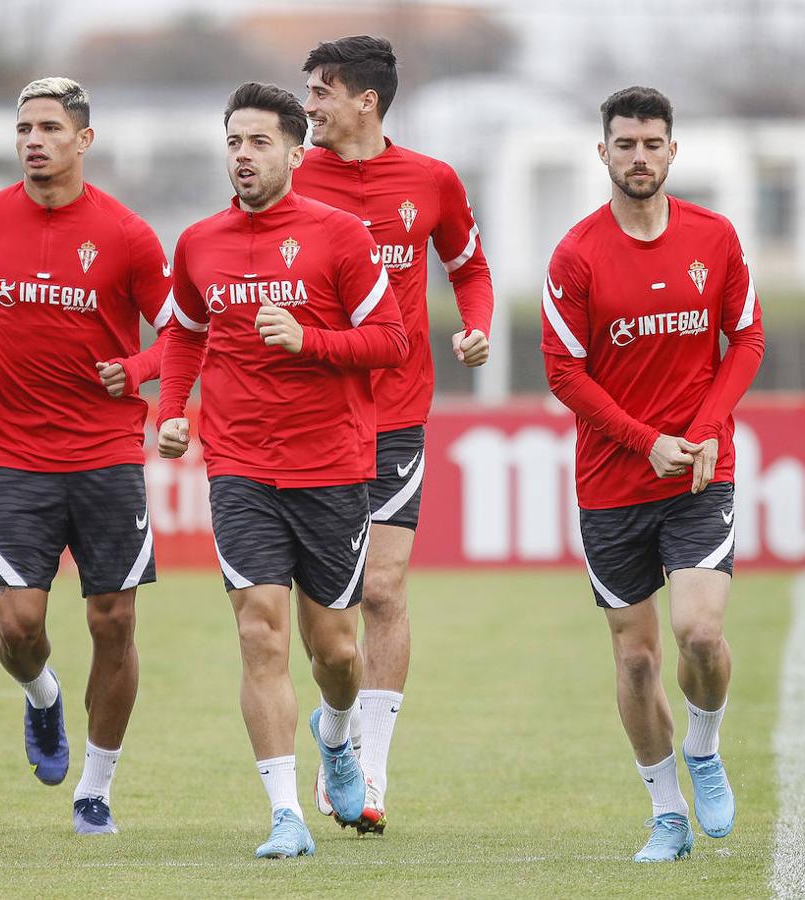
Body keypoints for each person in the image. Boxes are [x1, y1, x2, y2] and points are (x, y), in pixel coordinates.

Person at [156, 81, 407, 859]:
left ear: (297, 153)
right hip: (238, 468)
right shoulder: (198, 241)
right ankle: (284, 815)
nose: (243, 155)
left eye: (259, 142)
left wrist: (310, 341)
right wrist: (171, 410)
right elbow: (185, 335)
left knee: (335, 651)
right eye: (233, 141)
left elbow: (392, 343)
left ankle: (337, 738)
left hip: (332, 467)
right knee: (259, 630)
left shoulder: (340, 238)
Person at [540, 86, 765, 862]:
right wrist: (645, 441)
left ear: (674, 151)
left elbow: (747, 341)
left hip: (702, 475)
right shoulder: (575, 254)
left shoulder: (716, 237)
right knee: (636, 658)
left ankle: (703, 746)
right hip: (612, 485)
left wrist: (700, 434)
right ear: (603, 153)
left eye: (652, 143)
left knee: (700, 632)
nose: (640, 157)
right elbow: (564, 373)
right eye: (626, 144)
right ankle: (667, 815)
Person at [0, 77, 173, 835]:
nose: (33, 140)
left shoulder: (127, 234)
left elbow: (181, 331)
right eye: (24, 128)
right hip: (14, 453)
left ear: (83, 140)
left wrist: (137, 372)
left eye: (49, 127)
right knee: (17, 626)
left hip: (108, 454)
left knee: (113, 622)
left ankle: (96, 790)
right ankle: (44, 697)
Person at [293, 35, 494, 832]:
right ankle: (334, 733)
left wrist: (475, 325)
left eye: (320, 91)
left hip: (398, 415)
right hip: (309, 418)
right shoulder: (291, 178)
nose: (307, 105)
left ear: (365, 101)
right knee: (328, 616)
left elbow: (470, 266)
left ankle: (370, 771)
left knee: (383, 590)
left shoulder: (431, 181)